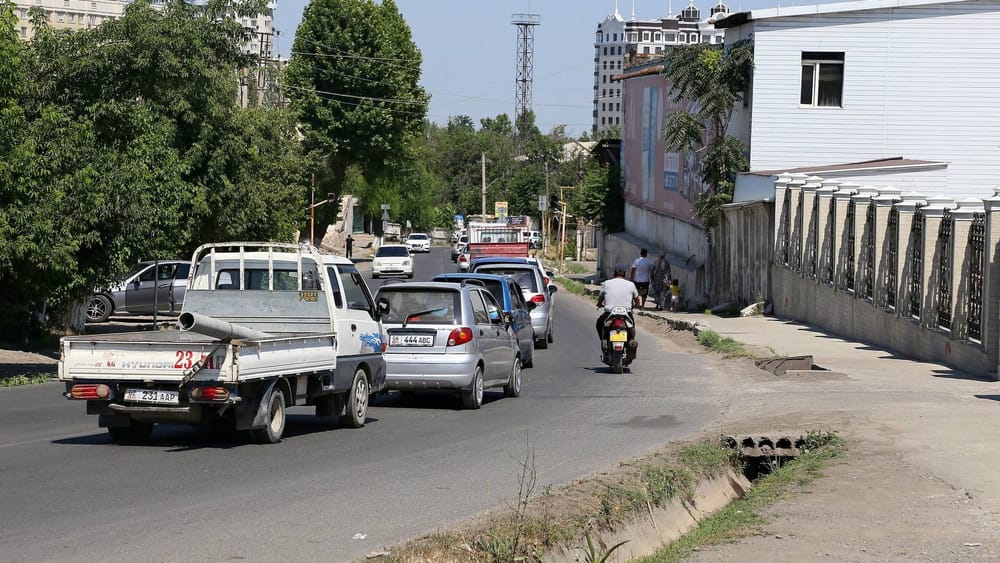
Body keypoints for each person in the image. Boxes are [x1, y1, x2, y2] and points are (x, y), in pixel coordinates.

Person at [596, 264, 641, 358]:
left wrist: (599, 304)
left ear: (614, 273)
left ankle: (604, 341)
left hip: (609, 313)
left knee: (599, 324)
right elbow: (637, 299)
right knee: (632, 326)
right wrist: (638, 306)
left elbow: (601, 297)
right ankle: (631, 341)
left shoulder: (607, 283)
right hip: (626, 314)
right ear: (625, 273)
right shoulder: (631, 284)